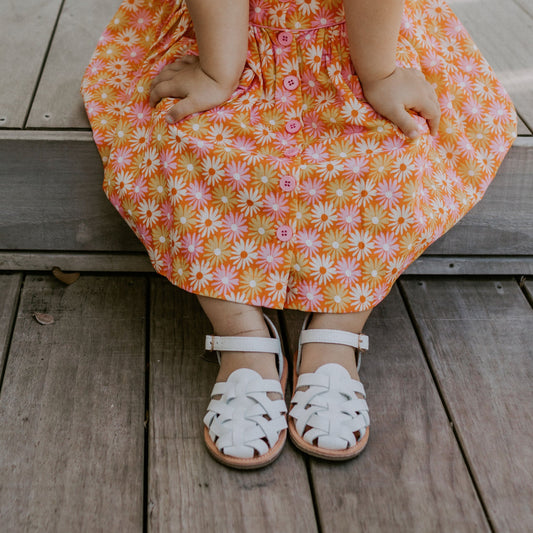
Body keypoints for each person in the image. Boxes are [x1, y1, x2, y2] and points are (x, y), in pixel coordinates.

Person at [81, 0, 517, 469]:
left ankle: (336, 330)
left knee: (395, 150)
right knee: (186, 145)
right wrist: (217, 72)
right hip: (228, 34)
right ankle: (241, 334)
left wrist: (380, 74)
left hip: (361, 36)